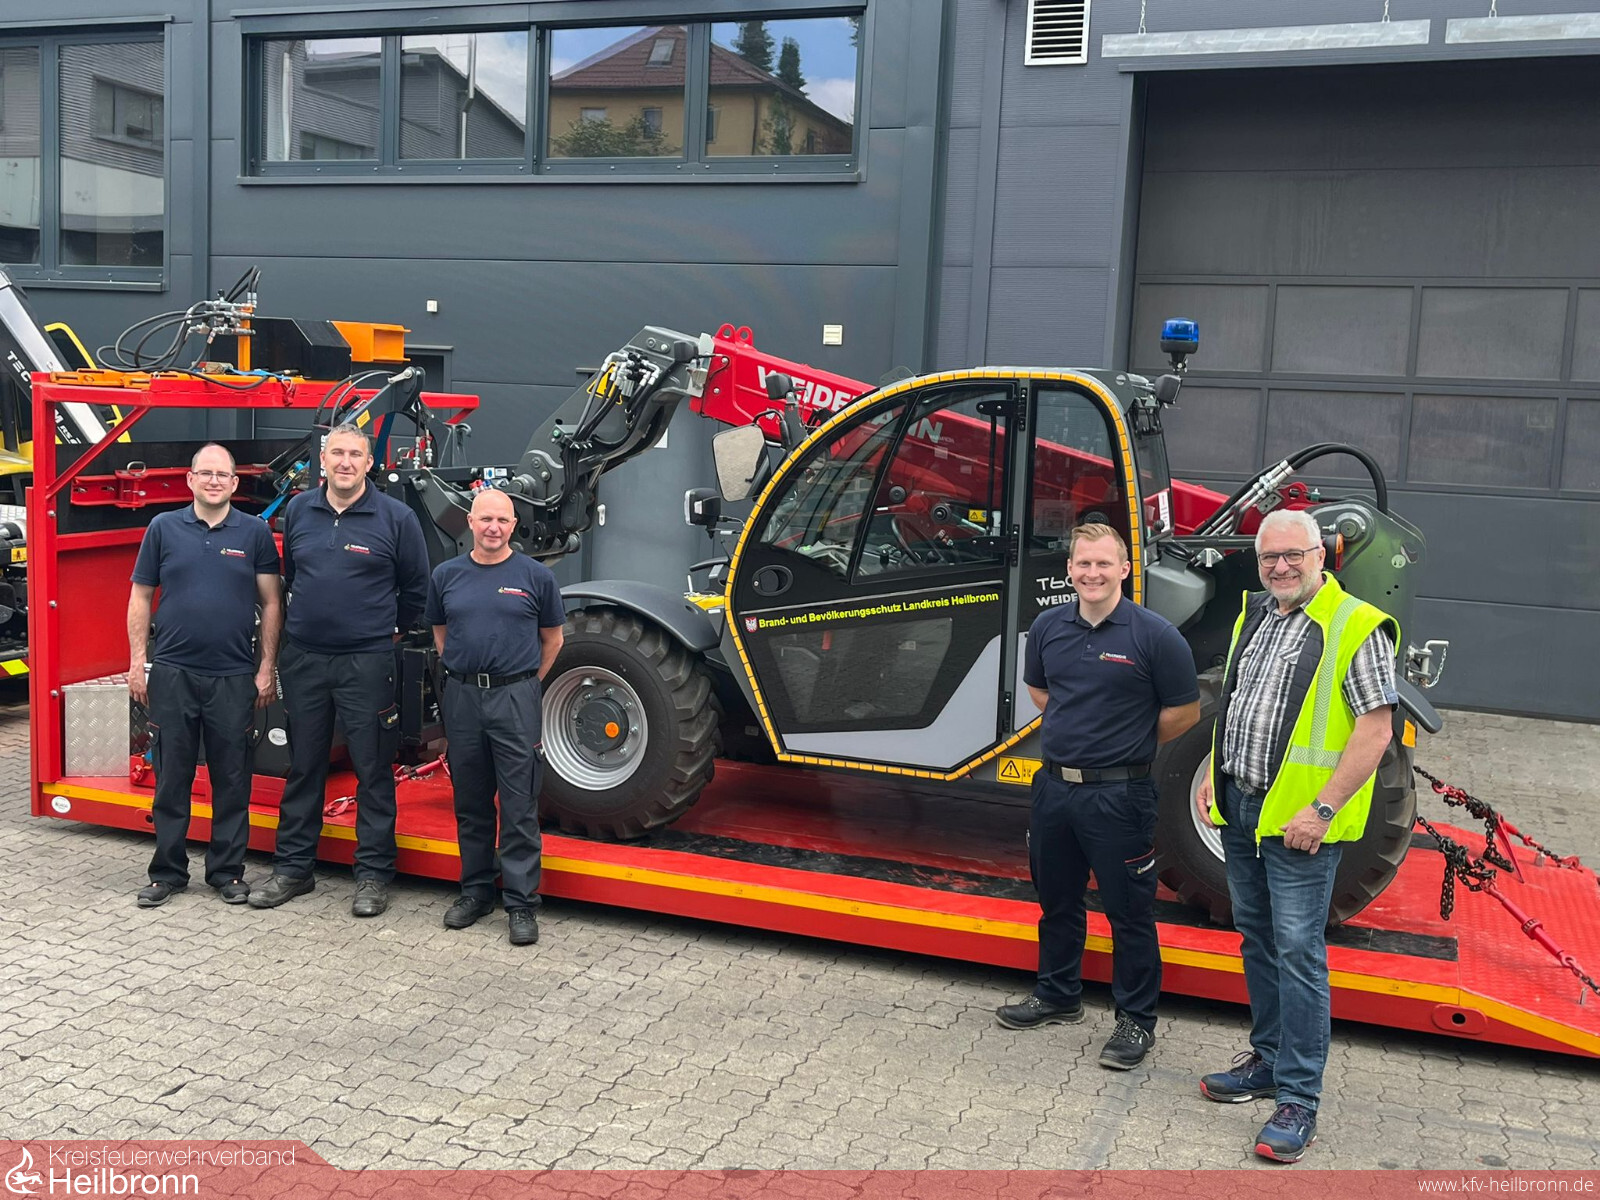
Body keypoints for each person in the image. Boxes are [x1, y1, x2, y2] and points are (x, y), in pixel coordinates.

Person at [1195, 507, 1399, 1163]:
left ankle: (1298, 1101)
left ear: (1321, 556)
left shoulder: (1354, 624)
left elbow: (1375, 731)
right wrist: (1216, 776)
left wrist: (1323, 808)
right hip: (1242, 808)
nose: (1281, 566)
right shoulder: (1256, 616)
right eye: (1269, 557)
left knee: (1298, 953)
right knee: (1257, 937)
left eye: (1293, 555)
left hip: (1300, 825)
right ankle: (1268, 1061)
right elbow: (1236, 705)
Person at [996, 523, 1200, 1070]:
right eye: (1083, 563)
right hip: (1054, 789)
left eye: (1104, 564)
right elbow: (1042, 692)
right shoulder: (1047, 627)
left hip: (1120, 796)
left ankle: (1136, 1021)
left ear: (1125, 570)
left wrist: (1123, 742)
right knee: (1056, 900)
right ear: (1069, 570)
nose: (1092, 573)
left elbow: (1184, 712)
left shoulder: (1155, 636)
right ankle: (1058, 994)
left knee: (1129, 912)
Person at [250, 423, 429, 917]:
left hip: (366, 662)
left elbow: (416, 587)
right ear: (323, 461)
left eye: (356, 455)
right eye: (337, 454)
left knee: (372, 769)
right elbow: (292, 576)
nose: (346, 462)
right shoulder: (299, 510)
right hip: (305, 659)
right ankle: (293, 869)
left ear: (369, 464)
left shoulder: (396, 518)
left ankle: (372, 875)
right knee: (304, 766)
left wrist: (387, 632)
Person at [128, 444, 282, 907]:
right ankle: (167, 873)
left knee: (232, 780)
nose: (214, 481)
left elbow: (272, 602)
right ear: (190, 479)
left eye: (222, 475)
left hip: (233, 677)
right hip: (173, 673)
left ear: (235, 483)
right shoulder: (163, 528)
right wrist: (138, 661)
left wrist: (266, 667)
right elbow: (141, 596)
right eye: (206, 473)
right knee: (171, 778)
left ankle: (227, 872)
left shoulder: (254, 532)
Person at [425, 488, 564, 946]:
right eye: (486, 519)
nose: (493, 528)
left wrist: (524, 684)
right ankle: (476, 893)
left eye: (503, 520)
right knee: (471, 801)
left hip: (515, 699)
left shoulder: (535, 576)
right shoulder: (446, 575)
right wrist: (466, 674)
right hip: (464, 698)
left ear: (513, 526)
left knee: (519, 804)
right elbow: (441, 633)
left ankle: (521, 904)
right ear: (470, 522)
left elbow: (553, 640)